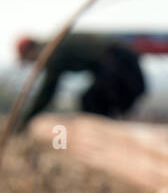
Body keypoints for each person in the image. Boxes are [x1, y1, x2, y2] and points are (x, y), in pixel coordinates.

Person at [15, 34, 146, 129]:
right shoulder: (55, 45)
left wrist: (28, 118)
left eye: (28, 59)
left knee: (92, 102)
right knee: (92, 101)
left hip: (119, 61)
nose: (32, 63)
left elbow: (48, 90)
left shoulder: (51, 52)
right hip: (119, 61)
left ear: (29, 50)